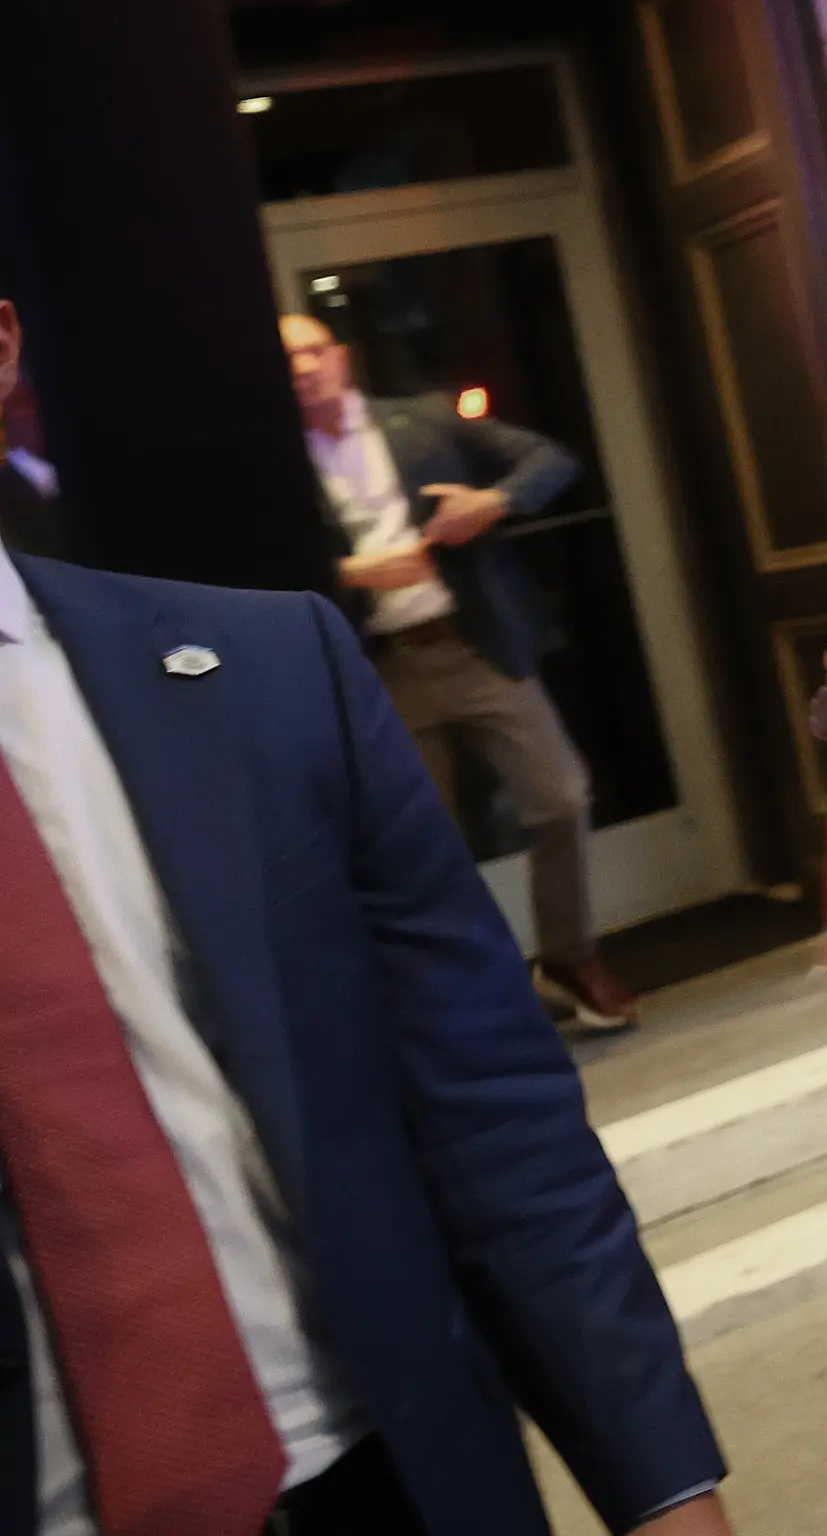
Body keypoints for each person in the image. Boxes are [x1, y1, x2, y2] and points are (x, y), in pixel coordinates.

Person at [0, 288, 730, 1536]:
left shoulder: (267, 674)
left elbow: (490, 1116)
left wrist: (664, 1483)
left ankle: (580, 958)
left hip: (382, 1472)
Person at [282, 315, 637, 1036]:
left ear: (341, 358)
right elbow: (254, 562)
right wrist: (348, 574)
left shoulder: (425, 420)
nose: (302, 368)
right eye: (285, 359)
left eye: (314, 351)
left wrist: (492, 503)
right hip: (380, 668)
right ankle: (478, 996)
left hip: (474, 645)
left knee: (560, 797)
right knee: (425, 843)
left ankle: (569, 957)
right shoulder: (271, 463)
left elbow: (550, 460)